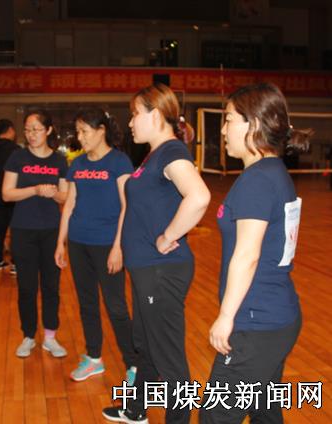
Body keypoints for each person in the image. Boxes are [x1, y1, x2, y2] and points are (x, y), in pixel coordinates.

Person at [199, 83, 310, 423]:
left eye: (229, 119)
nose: (223, 129)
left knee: (215, 417)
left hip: (256, 323)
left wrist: (226, 317)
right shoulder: (272, 172)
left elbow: (247, 255)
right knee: (264, 412)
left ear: (255, 124)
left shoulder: (258, 180)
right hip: (276, 316)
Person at [103, 83, 211, 424]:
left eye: (134, 114)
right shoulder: (154, 155)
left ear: (155, 115)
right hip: (147, 271)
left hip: (161, 271)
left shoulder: (171, 152)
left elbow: (199, 196)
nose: (130, 122)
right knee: (145, 344)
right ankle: (135, 408)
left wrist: (168, 236)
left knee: (169, 359)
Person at [55, 108, 137, 384]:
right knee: (87, 303)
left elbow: (127, 206)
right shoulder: (77, 164)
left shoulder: (119, 162)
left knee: (116, 307)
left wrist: (118, 247)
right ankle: (93, 358)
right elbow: (69, 205)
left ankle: (134, 363)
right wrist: (61, 242)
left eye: (84, 131)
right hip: (79, 243)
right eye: (78, 131)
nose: (80, 137)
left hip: (107, 244)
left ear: (101, 130)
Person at [2, 109, 68, 358]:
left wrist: (54, 194)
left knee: (51, 286)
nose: (31, 134)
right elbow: (6, 194)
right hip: (23, 230)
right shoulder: (17, 157)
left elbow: (65, 196)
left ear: (48, 130)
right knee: (27, 287)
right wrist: (35, 190)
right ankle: (28, 335)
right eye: (28, 130)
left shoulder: (59, 160)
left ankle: (50, 337)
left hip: (51, 231)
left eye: (37, 129)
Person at [0, 118, 19, 272]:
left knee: (0, 228)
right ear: (10, 130)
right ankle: (14, 263)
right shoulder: (15, 149)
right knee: (15, 229)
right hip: (13, 192)